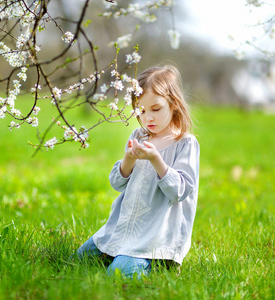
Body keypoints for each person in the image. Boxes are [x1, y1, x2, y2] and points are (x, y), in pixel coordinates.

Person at [76, 65, 200, 279]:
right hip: (125, 226)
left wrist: (156, 159)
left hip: (156, 235)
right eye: (140, 110)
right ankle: (120, 252)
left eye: (155, 108)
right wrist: (129, 158)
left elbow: (179, 191)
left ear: (173, 104)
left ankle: (161, 262)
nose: (148, 117)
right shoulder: (139, 135)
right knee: (82, 257)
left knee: (117, 273)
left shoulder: (185, 143)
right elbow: (117, 183)